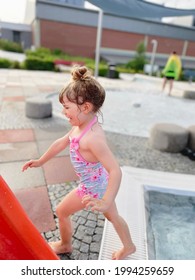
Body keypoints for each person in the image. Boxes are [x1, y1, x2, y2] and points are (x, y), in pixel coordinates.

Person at [22, 65, 136, 260]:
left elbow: (115, 170)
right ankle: (128, 246)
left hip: (96, 188)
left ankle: (66, 245)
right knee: (111, 216)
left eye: (67, 107)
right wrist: (41, 161)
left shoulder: (92, 138)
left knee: (65, 211)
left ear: (85, 107)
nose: (64, 112)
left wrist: (106, 199)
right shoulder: (82, 125)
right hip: (95, 182)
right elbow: (61, 142)